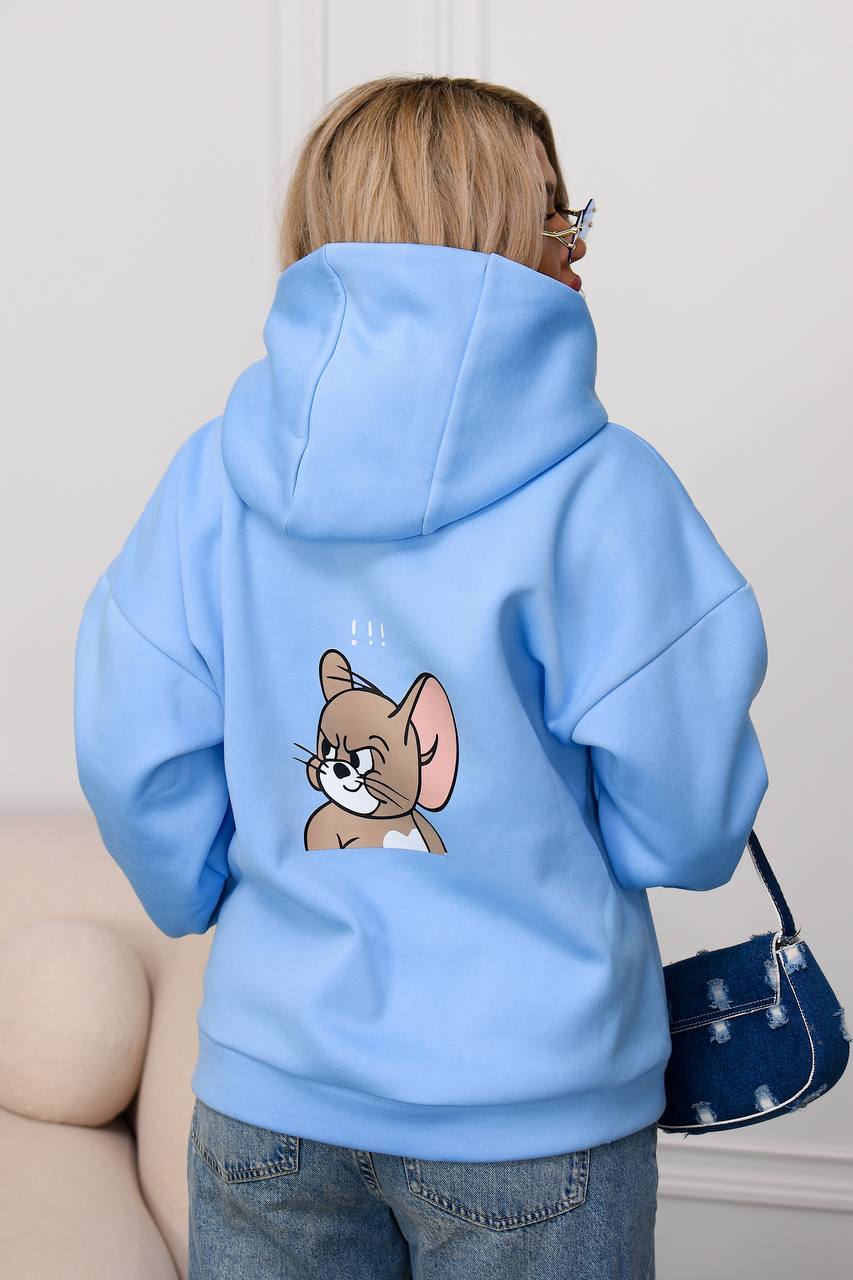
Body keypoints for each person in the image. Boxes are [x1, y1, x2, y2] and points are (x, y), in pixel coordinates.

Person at [73, 74, 770, 1279]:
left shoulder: (211, 477)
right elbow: (688, 822)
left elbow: (131, 744)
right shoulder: (606, 492)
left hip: (271, 1095)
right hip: (533, 1110)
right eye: (557, 219)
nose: (576, 253)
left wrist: (203, 887)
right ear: (493, 229)